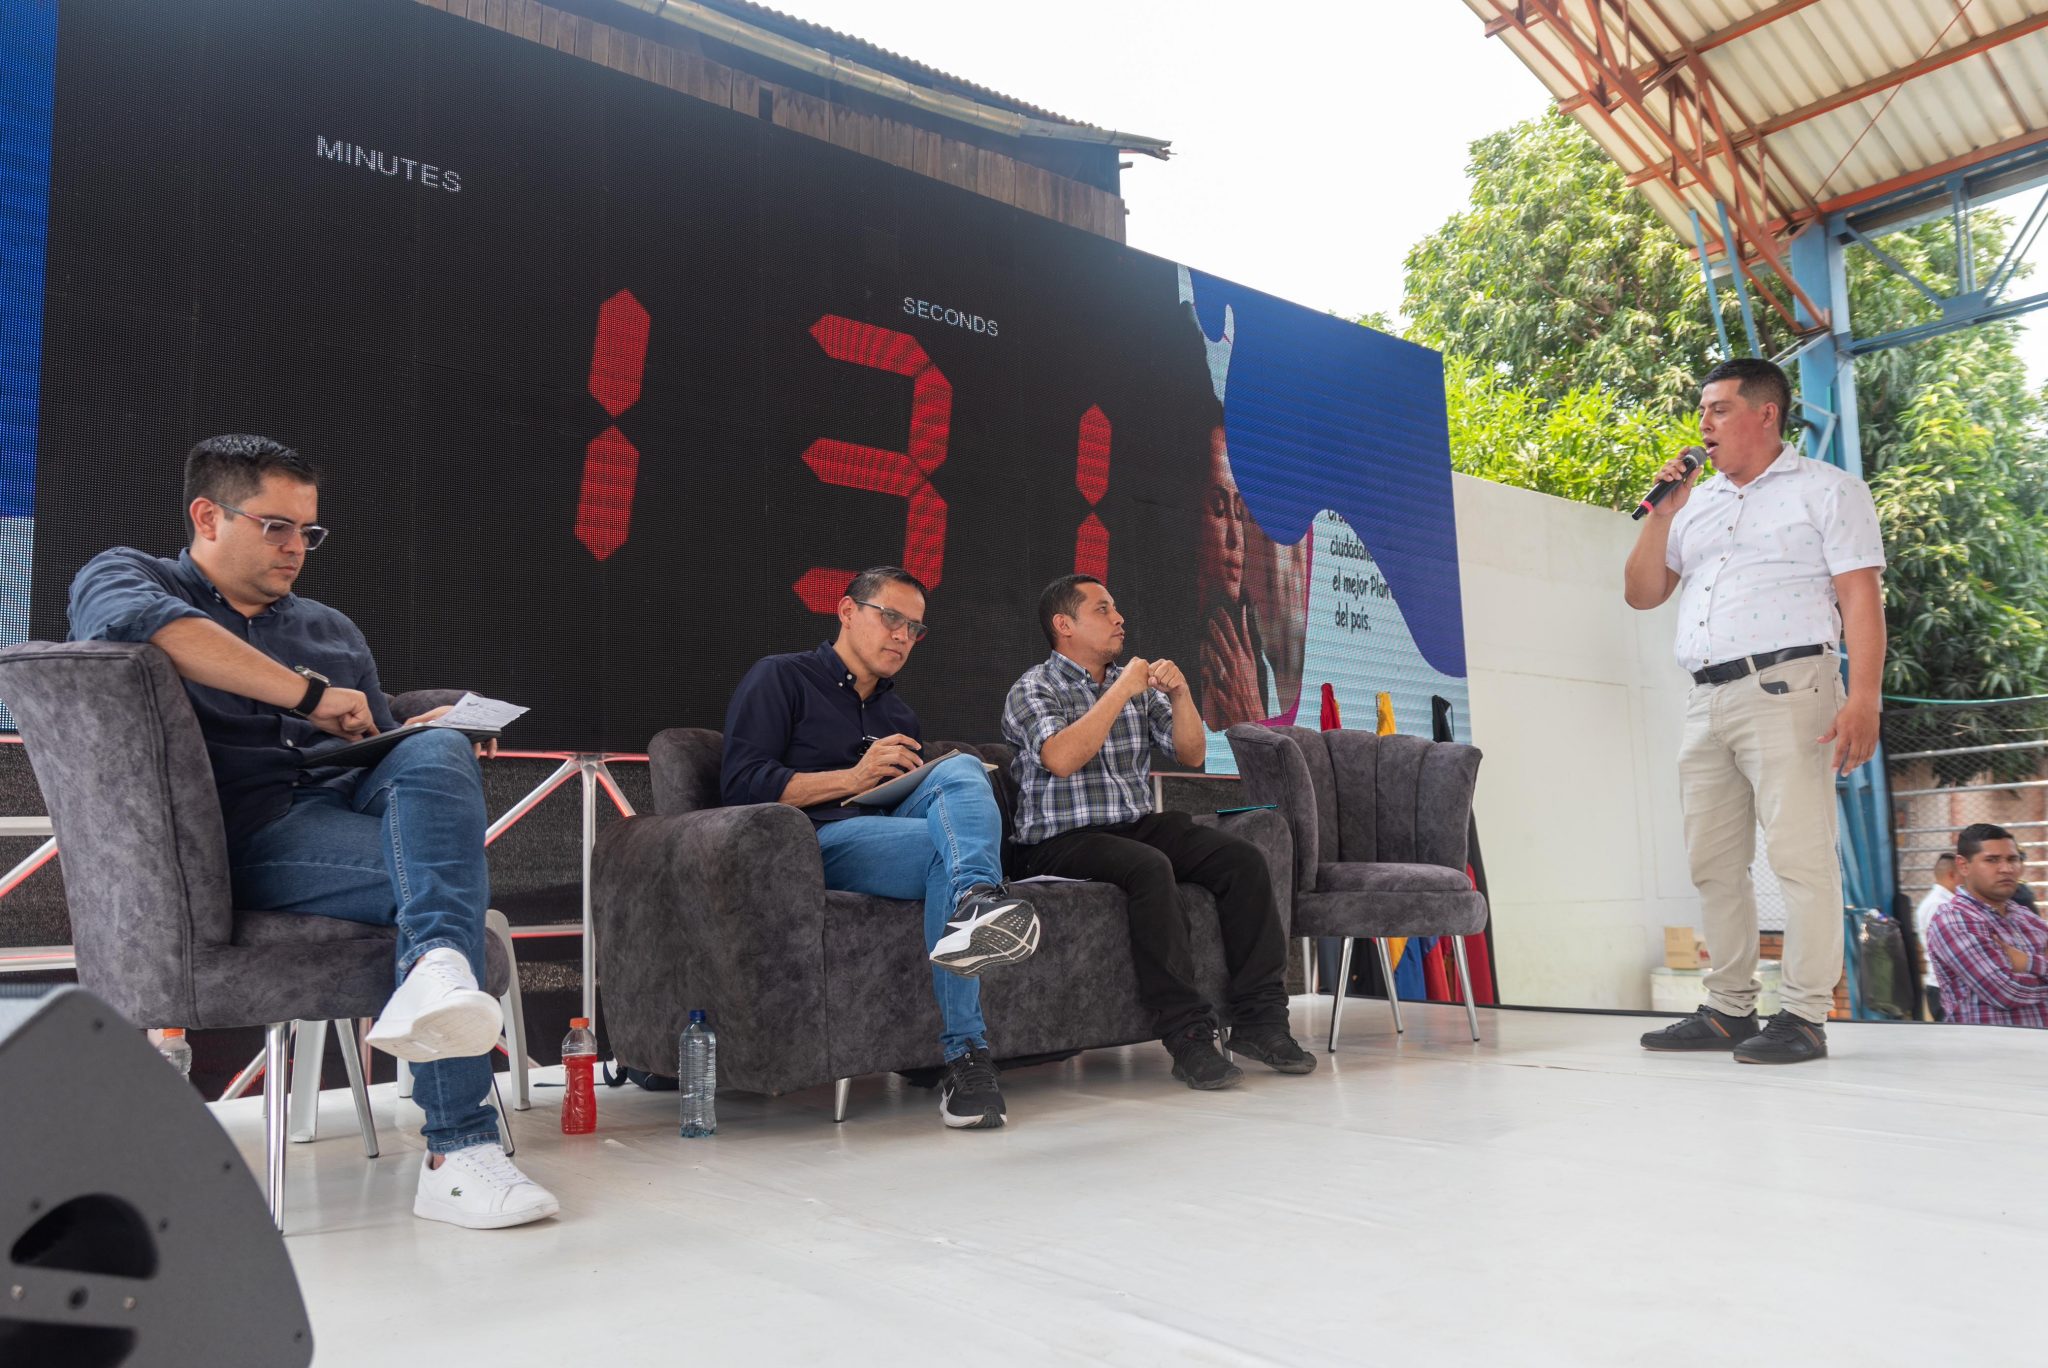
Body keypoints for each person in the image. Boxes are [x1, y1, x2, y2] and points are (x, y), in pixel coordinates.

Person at [68, 435, 557, 1229]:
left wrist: (414, 733)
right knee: (441, 887)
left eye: (308, 531)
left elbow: (369, 740)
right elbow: (147, 629)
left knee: (434, 756)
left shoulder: (330, 627)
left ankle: (435, 974)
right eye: (275, 527)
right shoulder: (128, 577)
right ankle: (458, 1147)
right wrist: (306, 695)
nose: (296, 548)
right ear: (208, 517)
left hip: (342, 811)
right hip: (240, 842)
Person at [1627, 358, 1886, 1064]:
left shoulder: (1828, 490)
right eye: (1701, 411)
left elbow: (1860, 598)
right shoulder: (1695, 503)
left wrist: (1865, 697)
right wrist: (1663, 515)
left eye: (1718, 409)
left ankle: (1803, 1015)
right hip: (1705, 697)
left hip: (1788, 686)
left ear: (1765, 414)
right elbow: (1642, 593)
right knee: (1713, 862)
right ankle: (1728, 1010)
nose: (1703, 424)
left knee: (1800, 858)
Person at [720, 567, 1040, 1130]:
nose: (902, 636)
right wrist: (853, 778)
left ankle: (975, 903)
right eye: (891, 617)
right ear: (847, 611)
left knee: (963, 771)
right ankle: (968, 1048)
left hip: (887, 832)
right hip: (814, 840)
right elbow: (742, 784)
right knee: (949, 846)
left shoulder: (898, 715)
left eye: (914, 628)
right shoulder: (782, 677)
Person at [1000, 574, 1312, 1089]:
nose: (1119, 618)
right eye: (1102, 609)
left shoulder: (1138, 688)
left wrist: (1183, 694)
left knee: (1243, 860)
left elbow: (1191, 752)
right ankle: (1187, 1036)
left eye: (1116, 607)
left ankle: (1260, 1021)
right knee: (1149, 868)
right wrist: (1120, 691)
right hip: (1057, 841)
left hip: (1134, 824)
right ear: (1064, 625)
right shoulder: (1034, 688)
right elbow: (1060, 757)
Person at [1926, 823, 2048, 1029]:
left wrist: (2026, 962)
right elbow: (2006, 992)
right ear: (1963, 866)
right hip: (1989, 1048)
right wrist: (2041, 965)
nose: (2007, 869)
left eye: (2012, 859)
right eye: (1992, 860)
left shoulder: (2026, 917)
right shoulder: (1954, 920)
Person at [1912, 852, 1959, 1020]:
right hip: (1943, 987)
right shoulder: (1938, 905)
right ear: (1952, 875)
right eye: (1964, 876)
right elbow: (1948, 950)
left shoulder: (1944, 903)